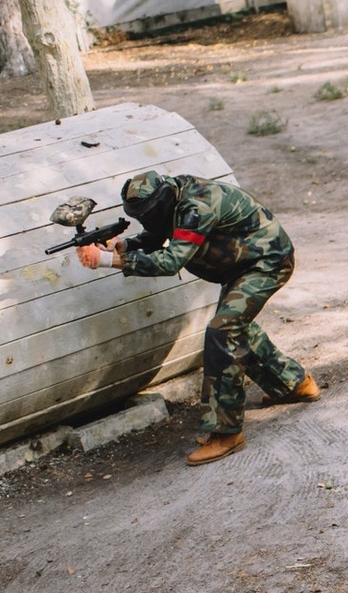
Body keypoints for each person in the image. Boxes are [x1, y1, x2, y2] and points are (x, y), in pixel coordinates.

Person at [74, 171, 317, 465]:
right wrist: (123, 246)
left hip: (266, 262)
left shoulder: (196, 206)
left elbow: (171, 261)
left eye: (149, 214)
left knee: (222, 332)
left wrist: (105, 260)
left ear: (162, 201)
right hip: (243, 264)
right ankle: (294, 384)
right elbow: (160, 233)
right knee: (234, 327)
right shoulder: (174, 197)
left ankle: (226, 433)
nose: (148, 220)